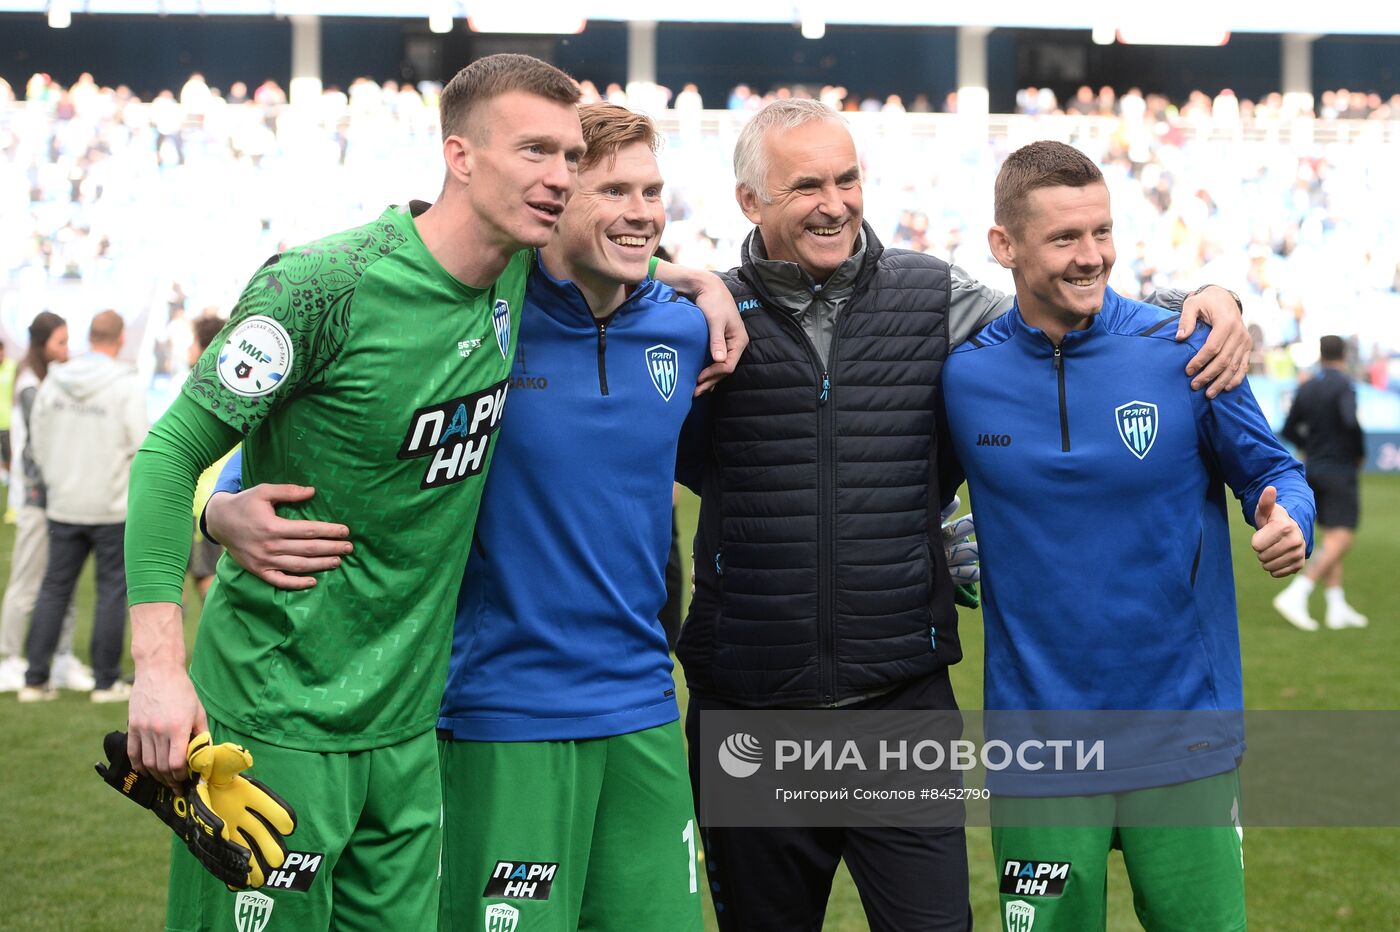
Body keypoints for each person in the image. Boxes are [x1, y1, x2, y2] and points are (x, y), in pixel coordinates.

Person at [676, 100, 1253, 932]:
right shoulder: (707, 320)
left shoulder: (934, 296)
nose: (834, 202)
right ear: (749, 202)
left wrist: (1206, 292)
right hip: (748, 707)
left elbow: (1063, 309)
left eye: (847, 179)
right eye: (806, 186)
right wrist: (681, 277)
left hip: (897, 706)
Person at [205, 103, 744, 931]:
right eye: (614, 191)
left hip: (643, 705)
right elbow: (294, 448)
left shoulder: (681, 327)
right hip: (497, 710)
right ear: (554, 199)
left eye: (652, 191)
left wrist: (696, 278)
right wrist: (217, 508)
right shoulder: (479, 316)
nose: (641, 211)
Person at [124, 53, 590, 931]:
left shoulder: (520, 272)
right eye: (535, 151)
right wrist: (158, 669)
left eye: (570, 156)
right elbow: (167, 454)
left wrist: (705, 282)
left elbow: (628, 249)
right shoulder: (323, 285)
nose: (560, 178)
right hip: (273, 717)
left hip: (407, 728)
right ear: (459, 155)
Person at [940, 140, 1312, 932]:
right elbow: (908, 498)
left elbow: (1275, 472)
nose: (1092, 256)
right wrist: (944, 548)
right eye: (1066, 238)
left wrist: (1289, 519)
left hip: (1181, 734)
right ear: (1003, 246)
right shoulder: (963, 376)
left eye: (1102, 232)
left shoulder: (1183, 349)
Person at [21, 310, 147, 703]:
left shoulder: (55, 381)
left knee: (54, 588)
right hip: (109, 504)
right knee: (111, 590)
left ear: (89, 336)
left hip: (64, 503)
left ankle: (35, 678)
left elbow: (36, 441)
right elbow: (141, 443)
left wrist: (57, 479)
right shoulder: (125, 385)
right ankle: (106, 681)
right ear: (120, 338)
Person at [0, 312, 84, 694]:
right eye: (60, 343)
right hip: (39, 499)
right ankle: (8, 658)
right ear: (42, 344)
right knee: (27, 581)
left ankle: (62, 659)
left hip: (61, 498)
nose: (67, 350)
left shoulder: (49, 380)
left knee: (61, 583)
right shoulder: (31, 384)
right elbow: (39, 446)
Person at [1272, 334, 1368, 630]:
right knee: (1342, 537)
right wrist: (1359, 453)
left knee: (1329, 536)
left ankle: (1336, 606)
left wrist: (1309, 445)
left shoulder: (1308, 387)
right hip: (1339, 469)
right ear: (1344, 354)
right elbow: (1350, 421)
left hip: (1312, 467)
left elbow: (1287, 428)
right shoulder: (1345, 386)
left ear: (1321, 353)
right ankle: (1298, 592)